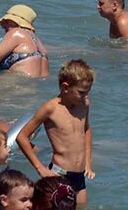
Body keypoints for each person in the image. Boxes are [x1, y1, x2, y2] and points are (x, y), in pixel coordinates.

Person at [15, 60, 95, 206]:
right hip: (59, 173)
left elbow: (86, 129)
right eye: (81, 92)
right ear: (65, 87)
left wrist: (88, 163)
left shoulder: (84, 104)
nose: (85, 96)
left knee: (83, 206)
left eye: (88, 92)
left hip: (80, 175)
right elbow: (21, 137)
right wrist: (40, 168)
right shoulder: (50, 109)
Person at [0, 5, 49, 78]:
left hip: (15, 85)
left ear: (15, 21)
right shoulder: (40, 45)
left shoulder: (16, 32)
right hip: (36, 87)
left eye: (6, 21)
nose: (3, 25)